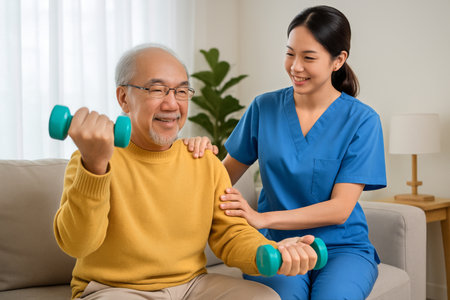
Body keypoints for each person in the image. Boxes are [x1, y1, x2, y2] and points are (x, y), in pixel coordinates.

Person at [53, 44, 320, 300]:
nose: (172, 104)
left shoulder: (203, 161)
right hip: (116, 289)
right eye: (157, 90)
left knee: (265, 297)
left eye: (181, 92)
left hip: (192, 285)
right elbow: (77, 245)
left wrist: (272, 251)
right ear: (124, 98)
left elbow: (231, 234)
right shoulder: (90, 161)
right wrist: (96, 167)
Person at [185, 5, 386, 300]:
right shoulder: (263, 108)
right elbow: (222, 176)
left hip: (343, 248)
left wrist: (262, 218)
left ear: (338, 60)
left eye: (308, 57)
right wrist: (195, 156)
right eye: (290, 53)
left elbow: (340, 208)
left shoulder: (362, 121)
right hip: (275, 245)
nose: (295, 66)